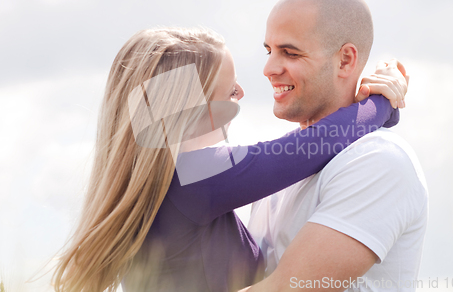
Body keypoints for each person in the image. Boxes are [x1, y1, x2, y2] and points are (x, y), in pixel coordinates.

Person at [51, 27, 406, 292]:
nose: (240, 96)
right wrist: (382, 102)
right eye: (229, 91)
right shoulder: (192, 178)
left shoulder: (157, 181)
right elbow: (315, 144)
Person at [243, 0, 427, 292]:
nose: (269, 68)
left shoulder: (378, 161)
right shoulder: (282, 166)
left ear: (345, 60)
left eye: (290, 52)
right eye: (269, 51)